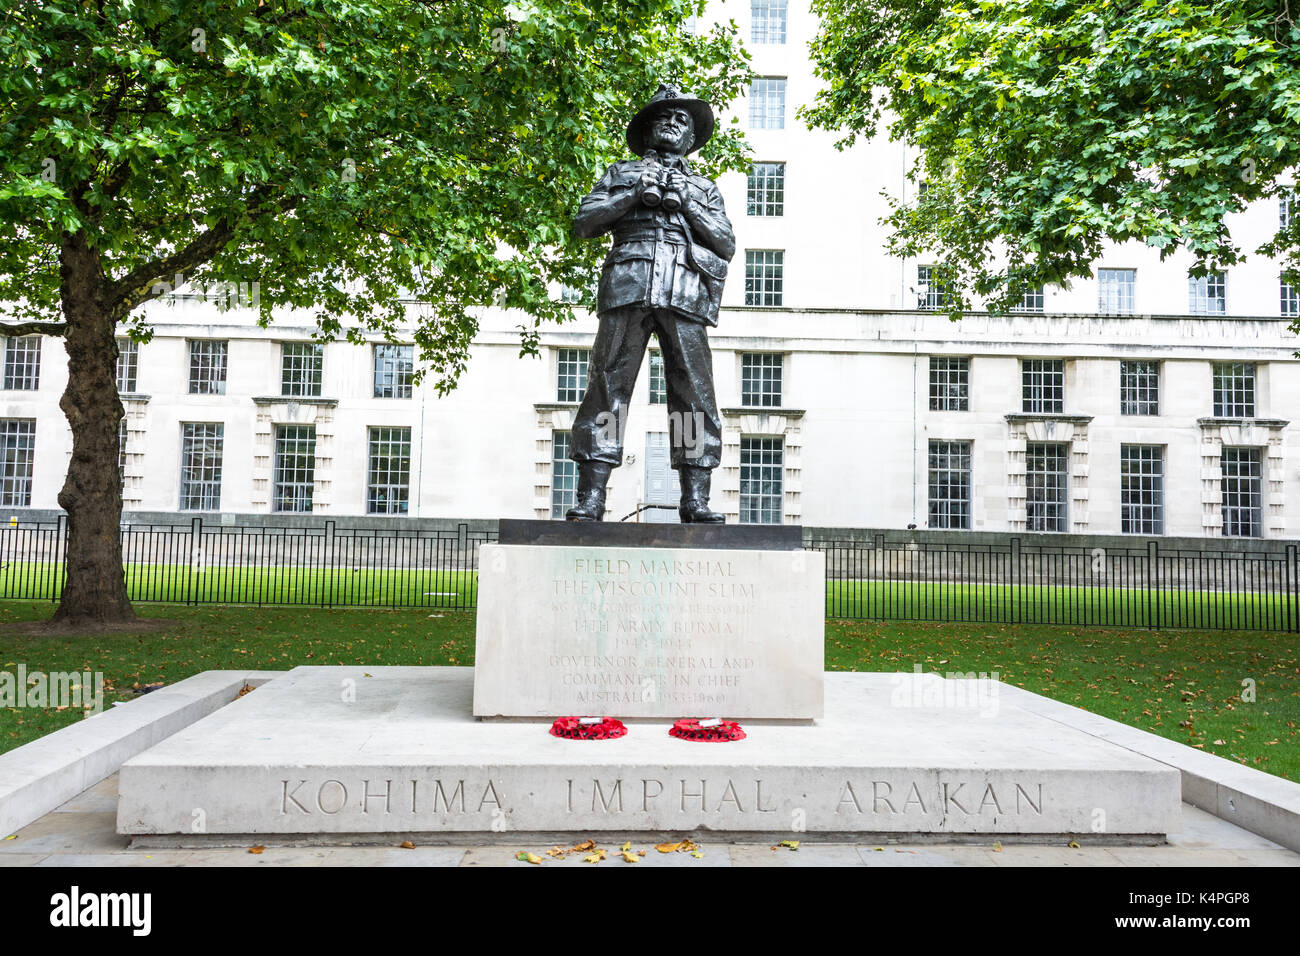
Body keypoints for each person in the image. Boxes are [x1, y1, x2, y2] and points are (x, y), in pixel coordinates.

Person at [566, 83, 735, 522]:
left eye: (682, 120)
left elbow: (726, 243)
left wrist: (689, 205)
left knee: (693, 395)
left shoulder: (704, 187)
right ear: (647, 129)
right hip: (629, 283)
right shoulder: (620, 171)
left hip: (685, 288)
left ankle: (694, 498)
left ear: (691, 138)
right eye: (664, 117)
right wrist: (631, 194)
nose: (672, 124)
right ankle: (592, 498)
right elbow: (583, 223)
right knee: (608, 389)